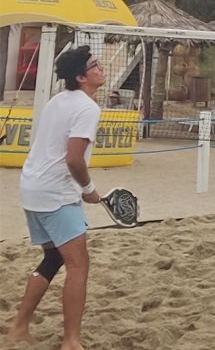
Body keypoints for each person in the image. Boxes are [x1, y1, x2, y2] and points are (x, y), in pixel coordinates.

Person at [5, 46, 106, 350]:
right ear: (80, 76)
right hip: (55, 194)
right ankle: (71, 341)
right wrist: (89, 191)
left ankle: (19, 328)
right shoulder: (88, 108)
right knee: (78, 266)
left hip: (32, 188)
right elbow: (74, 160)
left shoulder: (58, 100)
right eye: (94, 65)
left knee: (52, 258)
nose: (101, 67)